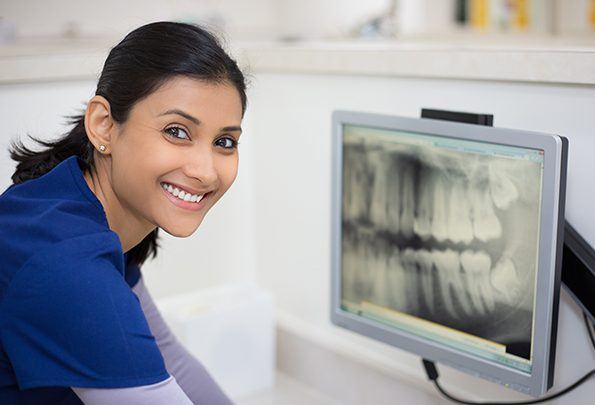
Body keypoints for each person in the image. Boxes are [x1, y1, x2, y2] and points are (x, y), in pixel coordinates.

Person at [0, 21, 246, 404]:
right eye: (177, 131)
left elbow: (171, 359)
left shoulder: (85, 208)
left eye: (224, 142)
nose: (206, 170)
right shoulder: (69, 265)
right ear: (103, 126)